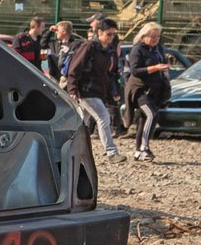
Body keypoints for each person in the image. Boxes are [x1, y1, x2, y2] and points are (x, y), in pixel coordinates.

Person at [66, 18, 126, 163]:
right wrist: (72, 88)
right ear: (99, 32)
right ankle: (111, 152)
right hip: (86, 90)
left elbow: (112, 73)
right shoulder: (89, 47)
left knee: (82, 122)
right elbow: (75, 67)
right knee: (103, 117)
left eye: (114, 35)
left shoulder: (109, 50)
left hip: (99, 91)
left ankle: (69, 148)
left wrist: (114, 91)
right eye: (109, 34)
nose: (111, 37)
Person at [125, 22, 171, 161]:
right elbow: (135, 70)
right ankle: (145, 148)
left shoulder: (158, 49)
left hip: (154, 90)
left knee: (144, 119)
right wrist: (155, 68)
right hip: (139, 89)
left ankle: (138, 151)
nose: (156, 39)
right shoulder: (137, 49)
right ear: (144, 36)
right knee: (151, 114)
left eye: (158, 36)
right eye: (153, 36)